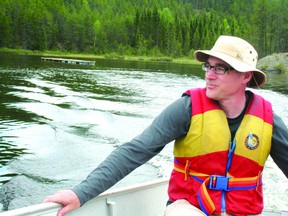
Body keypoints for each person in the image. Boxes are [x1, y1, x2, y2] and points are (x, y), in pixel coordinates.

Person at [44, 35, 288, 216]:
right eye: (208, 66)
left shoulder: (267, 120)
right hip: (190, 207)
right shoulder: (186, 108)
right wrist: (80, 193)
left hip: (244, 211)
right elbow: (135, 151)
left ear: (245, 76)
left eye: (220, 68)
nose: (209, 74)